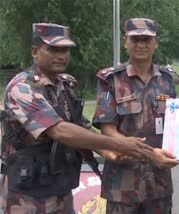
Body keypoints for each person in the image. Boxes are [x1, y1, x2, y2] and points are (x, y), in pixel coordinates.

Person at [0, 23, 153, 213]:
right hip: (26, 194)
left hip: (59, 187)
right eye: (53, 49)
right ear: (35, 51)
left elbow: (80, 125)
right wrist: (118, 144)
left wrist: (105, 151)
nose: (61, 55)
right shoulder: (22, 87)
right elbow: (60, 130)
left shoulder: (65, 84)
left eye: (65, 50)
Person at [92, 18, 179, 214]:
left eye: (146, 39)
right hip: (122, 183)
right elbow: (107, 129)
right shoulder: (110, 80)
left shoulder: (167, 80)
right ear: (125, 42)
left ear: (155, 42)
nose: (141, 45)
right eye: (135, 39)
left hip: (159, 181)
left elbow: (177, 125)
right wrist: (146, 153)